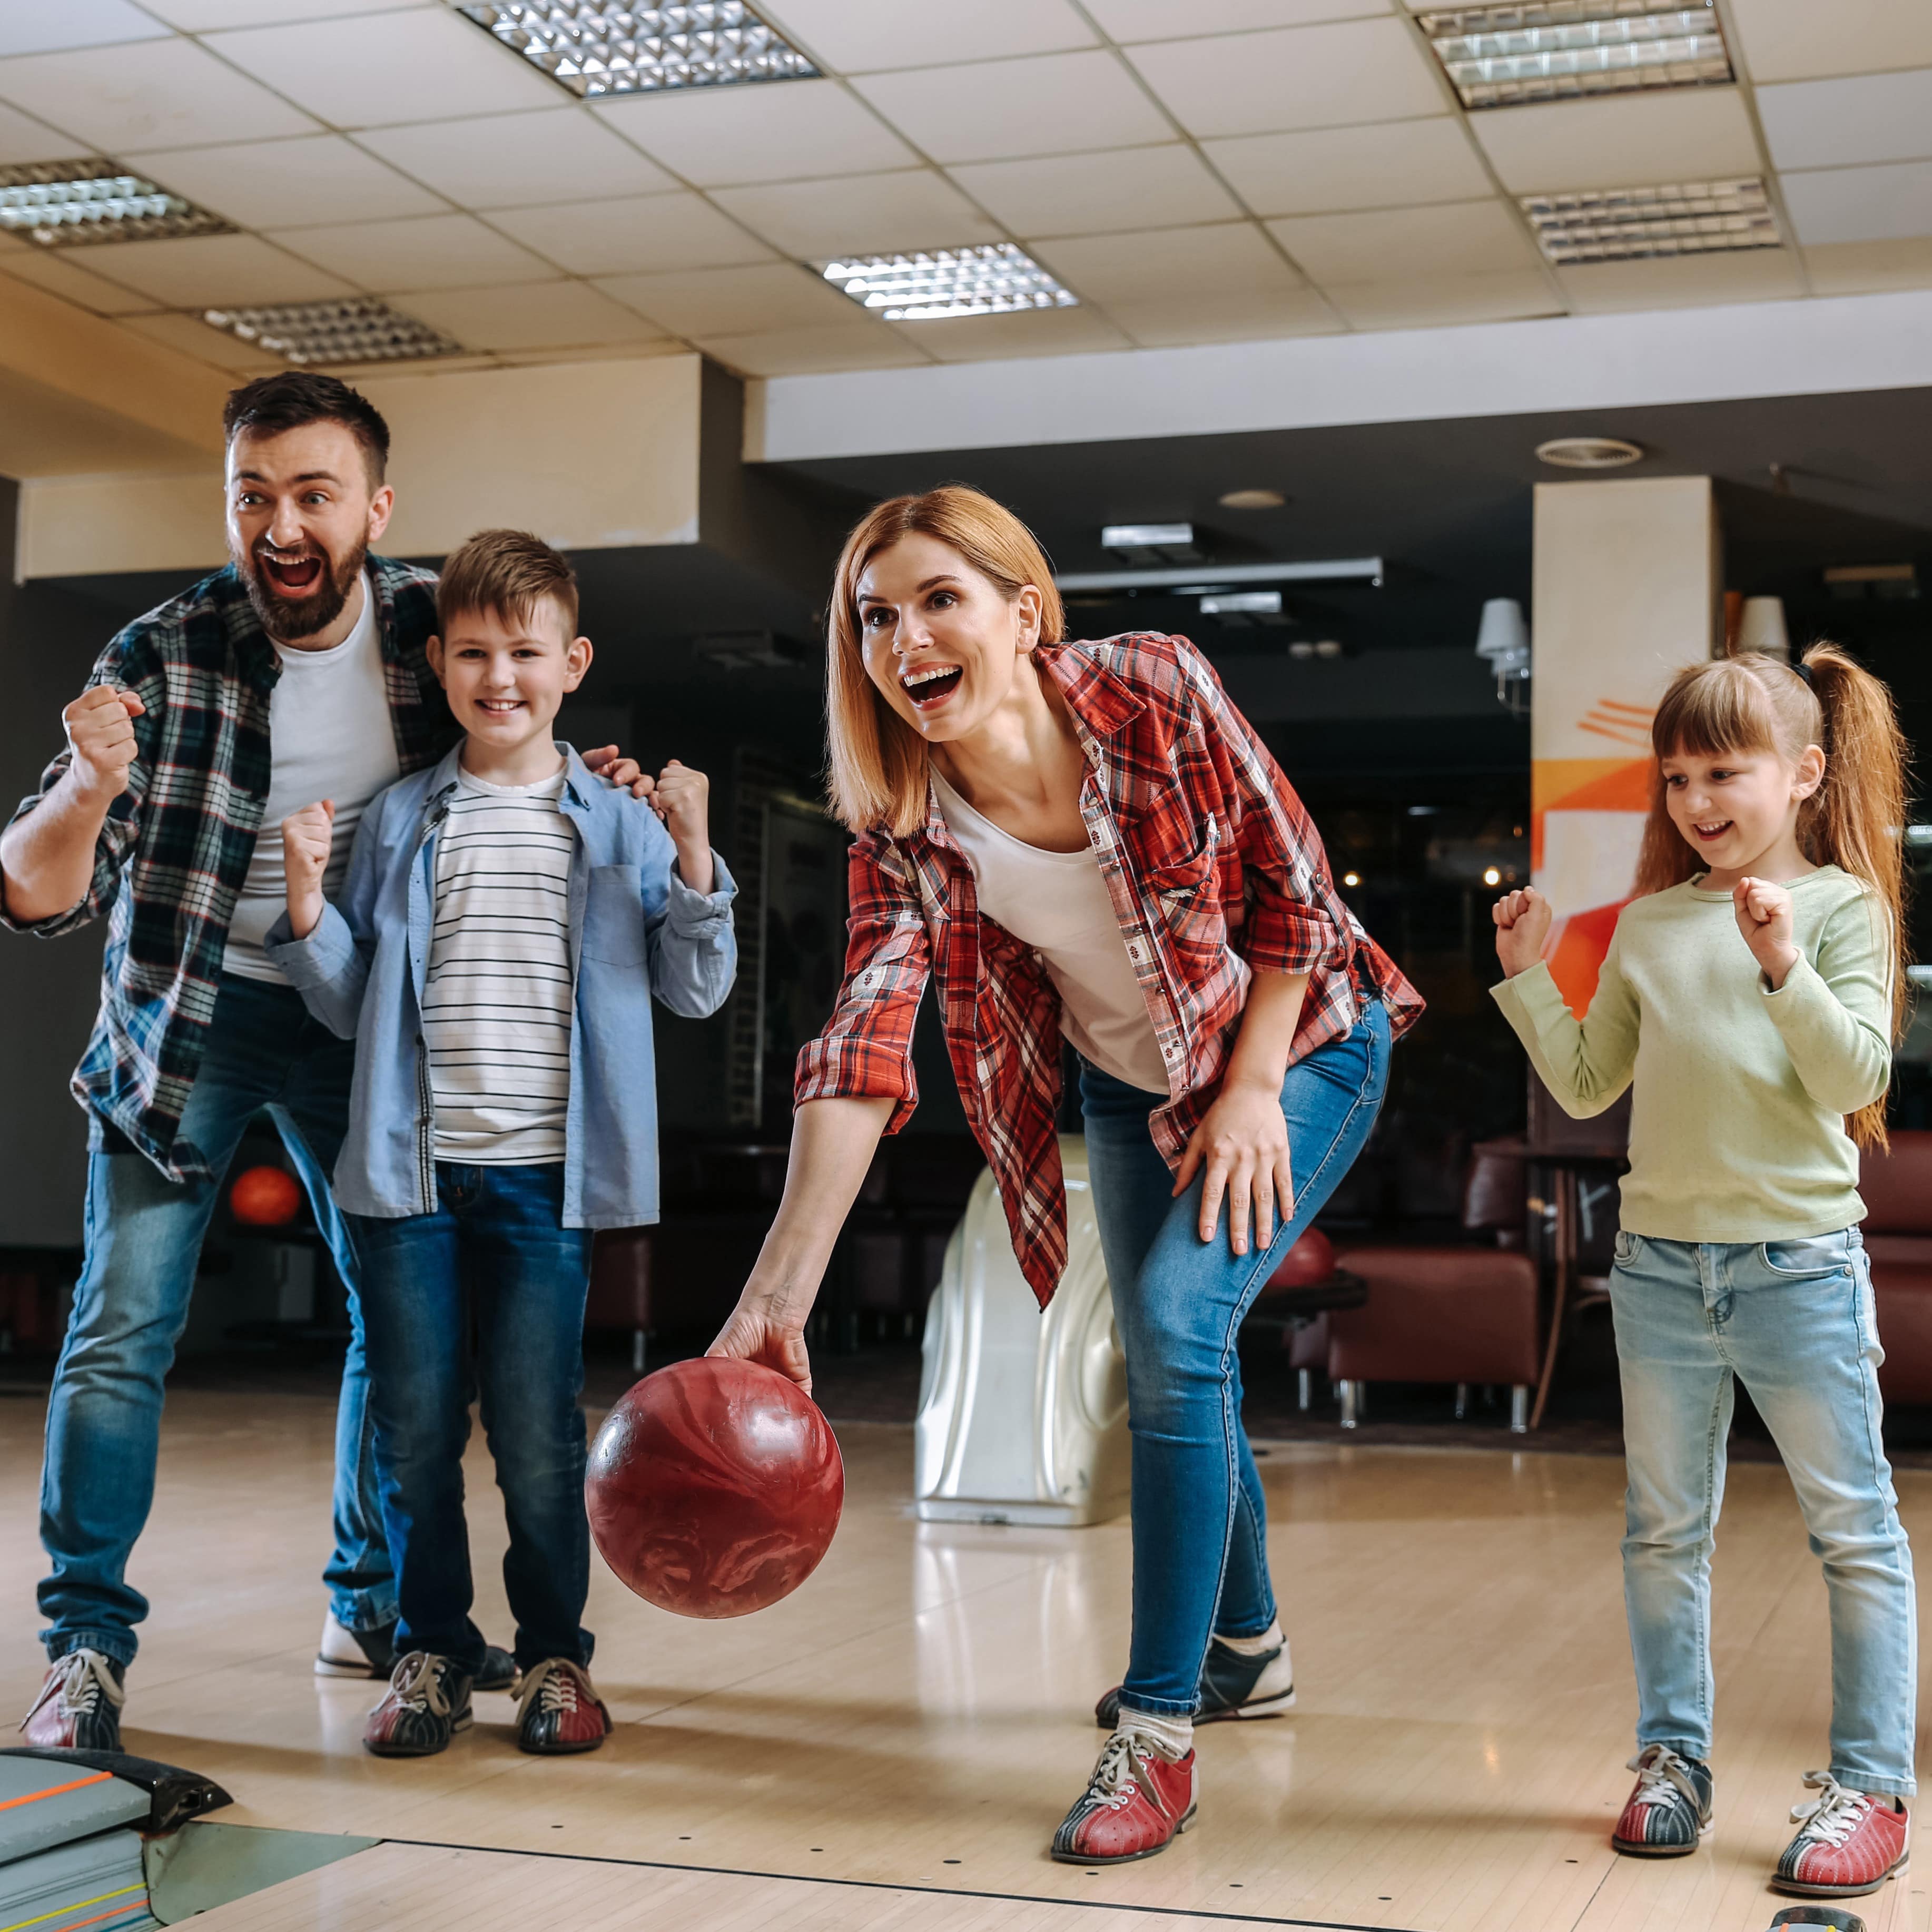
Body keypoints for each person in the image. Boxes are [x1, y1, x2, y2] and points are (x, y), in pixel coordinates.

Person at [705, 487, 1421, 1862]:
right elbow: (860, 1049)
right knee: (1176, 1355)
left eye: (936, 600)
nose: (904, 637)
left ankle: (1156, 1736)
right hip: (1128, 1076)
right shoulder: (902, 828)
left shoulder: (1152, 688)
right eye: (873, 616)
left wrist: (1257, 1086)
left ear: (1020, 613)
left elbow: (1298, 893)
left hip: (1307, 1042)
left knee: (1171, 1325)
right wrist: (772, 1300)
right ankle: (1247, 1647)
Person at [2, 376, 653, 1751]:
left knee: (391, 1318)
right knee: (122, 1327)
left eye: (312, 495)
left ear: (376, 507)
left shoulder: (439, 630)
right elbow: (28, 890)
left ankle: (369, 1601)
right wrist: (88, 782)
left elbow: (524, 756)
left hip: (368, 1031)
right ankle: (84, 1655)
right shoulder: (166, 652)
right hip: (189, 1021)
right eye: (253, 494)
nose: (281, 524)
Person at [269, 529, 736, 1757]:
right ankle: (429, 1649)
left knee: (536, 1431)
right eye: (473, 653)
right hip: (408, 1178)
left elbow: (695, 990)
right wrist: (310, 900)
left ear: (570, 662)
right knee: (413, 1427)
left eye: (525, 653)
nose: (499, 677)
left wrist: (694, 853)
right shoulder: (403, 817)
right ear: (438, 662)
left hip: (545, 1182)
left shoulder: (622, 826)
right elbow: (347, 996)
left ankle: (551, 1661)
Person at [1491, 644, 1915, 1900]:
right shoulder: (1651, 924)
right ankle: (1671, 1762)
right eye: (1675, 777)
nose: (1695, 800)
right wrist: (1525, 970)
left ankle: (1870, 1785)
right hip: (1661, 1272)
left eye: (1722, 771)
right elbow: (1585, 1085)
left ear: (1804, 772)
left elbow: (1854, 1084)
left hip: (1799, 1269)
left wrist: (1783, 962)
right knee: (1663, 1535)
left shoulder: (1844, 910)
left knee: (1855, 1535)